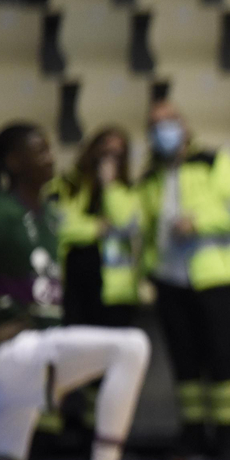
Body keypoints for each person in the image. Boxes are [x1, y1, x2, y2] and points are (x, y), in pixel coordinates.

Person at [0, 123, 153, 460]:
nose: (50, 157)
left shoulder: (48, 214)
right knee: (131, 346)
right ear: (13, 162)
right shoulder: (0, 212)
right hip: (14, 350)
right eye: (39, 150)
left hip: (36, 356)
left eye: (50, 149)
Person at [138, 103, 230, 460]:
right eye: (155, 125)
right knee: (184, 362)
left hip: (214, 275)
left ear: (184, 125)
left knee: (221, 359)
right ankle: (191, 435)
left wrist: (200, 221)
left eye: (169, 123)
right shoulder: (150, 177)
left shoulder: (212, 162)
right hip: (169, 279)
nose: (163, 131)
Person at [53, 127, 140, 329]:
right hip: (71, 279)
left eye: (117, 154)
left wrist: (110, 186)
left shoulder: (128, 191)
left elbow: (126, 224)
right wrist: (95, 228)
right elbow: (56, 225)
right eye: (104, 152)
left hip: (114, 289)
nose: (108, 160)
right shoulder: (64, 185)